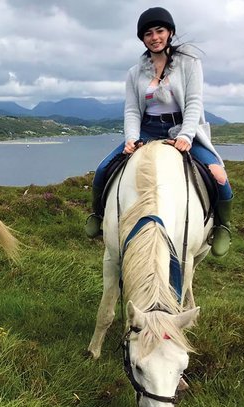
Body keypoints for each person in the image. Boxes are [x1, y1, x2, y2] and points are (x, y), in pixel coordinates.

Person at [85, 7, 233, 257]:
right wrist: (132, 138)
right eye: (148, 33)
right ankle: (99, 216)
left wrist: (186, 136)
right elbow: (132, 110)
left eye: (160, 31)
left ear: (170, 32)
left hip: (182, 129)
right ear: (142, 39)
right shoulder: (134, 73)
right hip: (147, 130)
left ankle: (221, 226)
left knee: (219, 176)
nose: (154, 37)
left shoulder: (190, 63)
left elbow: (195, 102)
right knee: (102, 169)